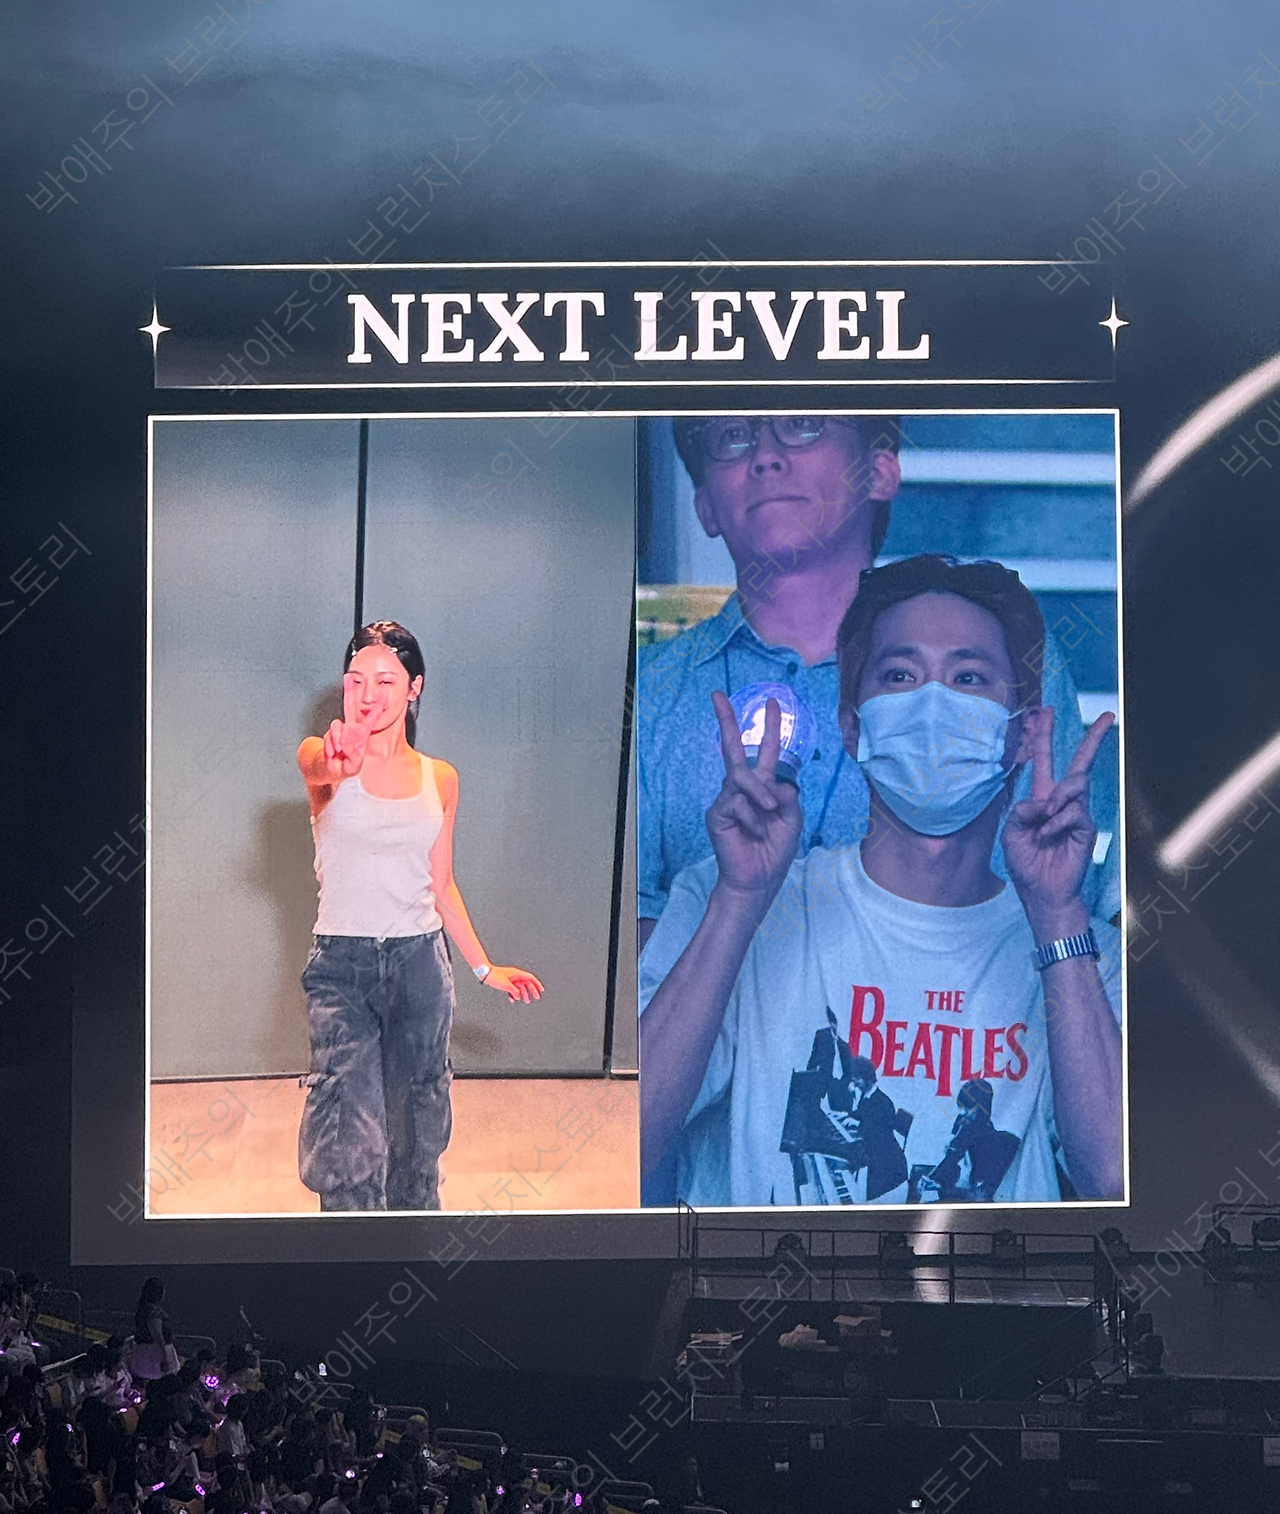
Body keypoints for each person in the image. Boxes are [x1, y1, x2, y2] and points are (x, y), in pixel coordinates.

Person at [640, 555, 1123, 1207]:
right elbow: (631, 1137)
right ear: (851, 724)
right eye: (900, 674)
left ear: (1025, 732)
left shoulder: (1083, 956)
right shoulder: (728, 901)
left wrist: (1059, 917)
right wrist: (738, 901)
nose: (932, 703)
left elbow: (1113, 1178)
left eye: (969, 677)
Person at [637, 415, 1120, 954]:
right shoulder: (645, 692)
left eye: (802, 424)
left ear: (880, 472)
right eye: (732, 435)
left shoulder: (1008, 663)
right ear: (704, 504)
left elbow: (1051, 907)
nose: (766, 456)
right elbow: (613, 935)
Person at [296, 621, 544, 1211]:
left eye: (386, 680)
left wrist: (484, 968)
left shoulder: (441, 778)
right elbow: (323, 767)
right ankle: (349, 1250)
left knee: (418, 1133)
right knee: (348, 1134)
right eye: (356, 680)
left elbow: (441, 883)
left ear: (415, 688)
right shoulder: (318, 757)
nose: (368, 693)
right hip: (341, 969)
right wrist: (339, 761)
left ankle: (413, 1247)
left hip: (420, 966)